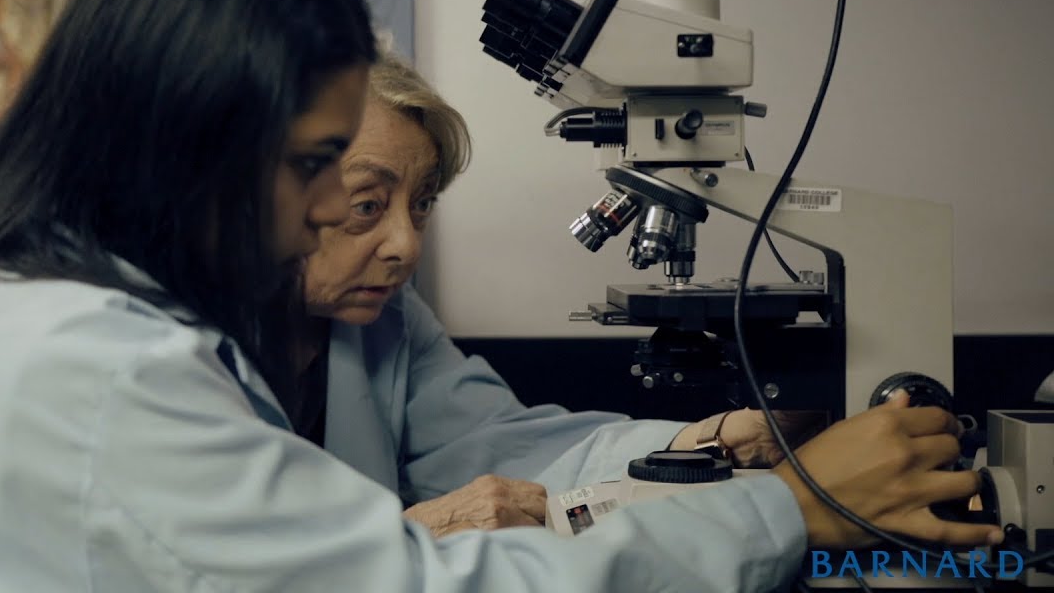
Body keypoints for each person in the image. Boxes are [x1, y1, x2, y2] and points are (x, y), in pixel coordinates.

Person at [0, 0, 997, 593]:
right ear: (198, 131)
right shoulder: (92, 368)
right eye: (317, 171)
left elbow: (504, 446)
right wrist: (788, 510)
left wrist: (704, 452)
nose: (336, 220)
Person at [295, 47, 825, 537]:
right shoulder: (213, 357)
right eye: (367, 205)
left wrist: (728, 437)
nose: (406, 247)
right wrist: (418, 534)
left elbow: (508, 446)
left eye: (423, 203)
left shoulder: (391, 321)